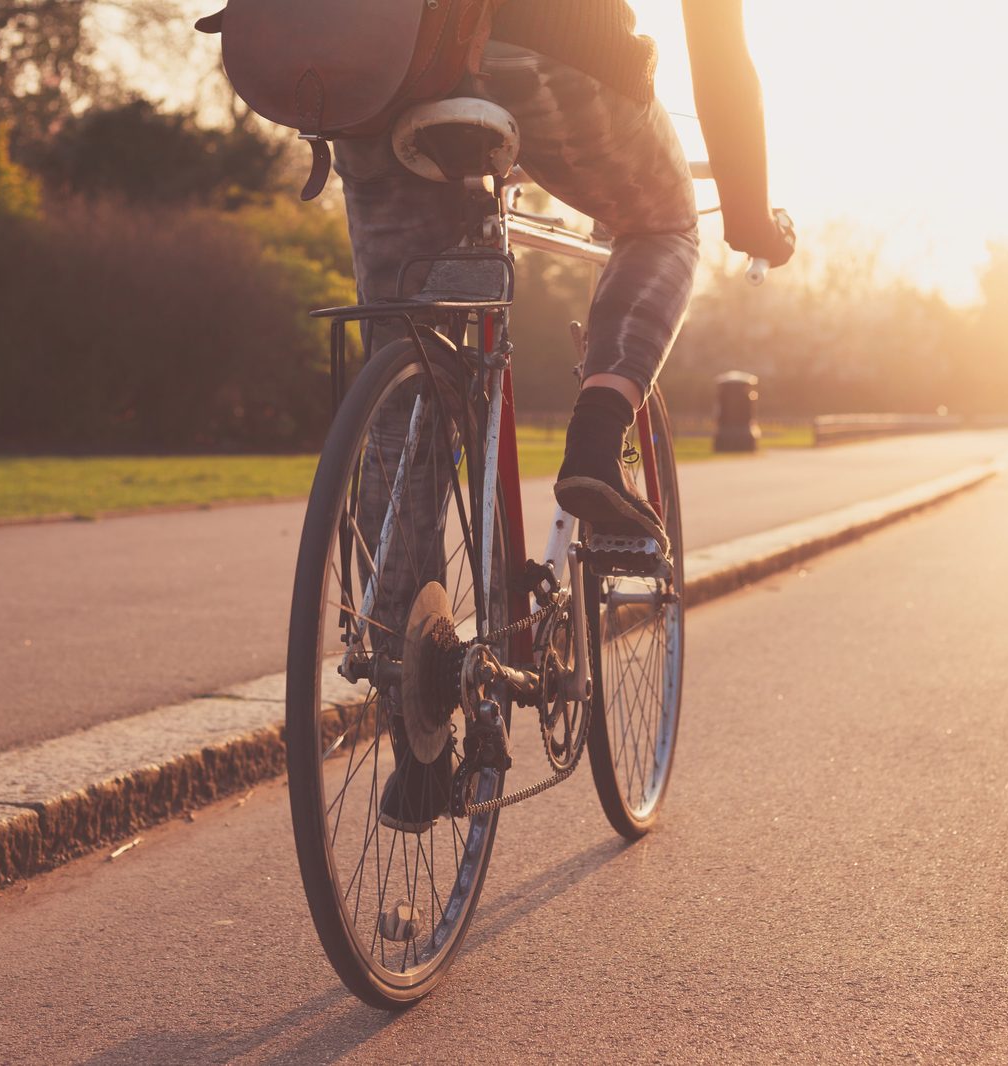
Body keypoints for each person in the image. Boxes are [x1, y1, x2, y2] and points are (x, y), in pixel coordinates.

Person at [340, 0, 794, 831]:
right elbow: (720, 48)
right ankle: (598, 429)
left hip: (368, 71)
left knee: (411, 374)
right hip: (542, 53)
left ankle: (418, 726)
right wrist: (753, 212)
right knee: (663, 223)